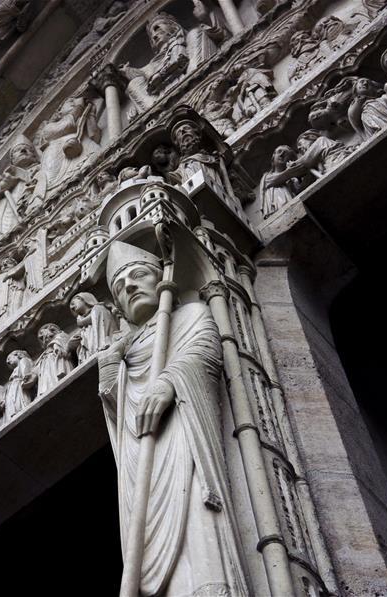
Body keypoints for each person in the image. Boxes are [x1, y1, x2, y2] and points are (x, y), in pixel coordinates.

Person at [97, 241, 247, 596]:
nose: (130, 286)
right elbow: (117, 405)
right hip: (141, 455)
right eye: (120, 287)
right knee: (145, 528)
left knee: (194, 512)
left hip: (183, 432)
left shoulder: (190, 314)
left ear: (161, 279)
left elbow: (204, 352)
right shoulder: (126, 350)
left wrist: (168, 382)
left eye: (138, 275)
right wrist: (110, 363)